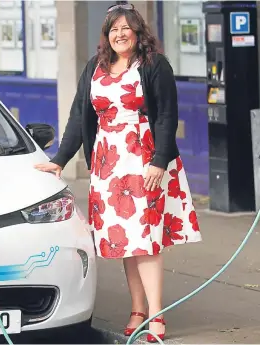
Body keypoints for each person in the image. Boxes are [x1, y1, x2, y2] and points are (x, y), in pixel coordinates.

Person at [34, 3, 202, 342]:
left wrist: (159, 160)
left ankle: (156, 315)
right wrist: (60, 159)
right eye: (113, 29)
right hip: (108, 164)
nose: (120, 34)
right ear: (106, 35)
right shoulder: (95, 67)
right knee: (127, 241)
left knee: (147, 241)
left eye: (126, 28)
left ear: (138, 32)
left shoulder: (154, 65)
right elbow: (79, 116)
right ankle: (137, 308)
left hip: (146, 161)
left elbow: (168, 116)